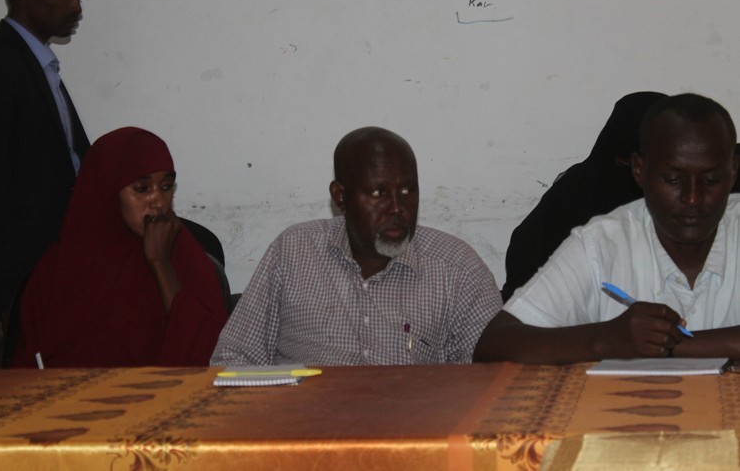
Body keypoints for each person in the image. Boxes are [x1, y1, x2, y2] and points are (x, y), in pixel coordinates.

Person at [474, 93, 740, 364]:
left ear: (733, 170)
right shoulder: (601, 244)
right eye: (673, 179)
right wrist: (606, 339)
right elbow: (494, 344)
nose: (693, 198)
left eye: (711, 180)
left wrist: (670, 346)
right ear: (639, 170)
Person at [211, 127, 502, 366]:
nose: (396, 208)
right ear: (340, 197)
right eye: (378, 193)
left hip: (414, 419)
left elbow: (492, 378)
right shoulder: (294, 251)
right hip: (305, 417)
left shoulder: (457, 269)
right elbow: (233, 358)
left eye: (407, 191)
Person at [0, 0, 90, 367]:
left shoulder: (36, 65)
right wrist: (3, 299)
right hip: (13, 297)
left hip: (46, 284)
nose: (77, 6)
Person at [10, 127, 229, 367]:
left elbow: (209, 355)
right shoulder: (59, 268)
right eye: (142, 189)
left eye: (166, 187)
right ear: (109, 190)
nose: (158, 201)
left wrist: (160, 263)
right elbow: (29, 367)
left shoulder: (185, 256)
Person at [501, 92, 667, 301]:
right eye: (626, 165)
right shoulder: (573, 196)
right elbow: (528, 273)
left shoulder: (683, 207)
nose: (636, 177)